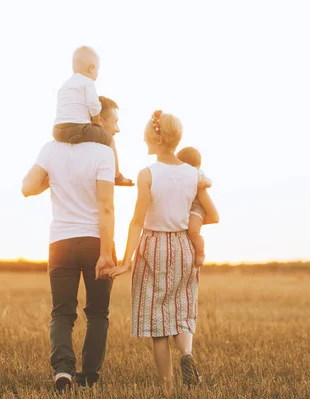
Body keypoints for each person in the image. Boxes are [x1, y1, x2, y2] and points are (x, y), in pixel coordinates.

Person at [109, 110, 219, 387]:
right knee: (180, 310)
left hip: (154, 245)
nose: (145, 141)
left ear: (156, 139)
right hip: (182, 246)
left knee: (158, 323)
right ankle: (187, 353)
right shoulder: (194, 174)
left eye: (147, 137)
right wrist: (191, 222)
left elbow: (137, 221)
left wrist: (126, 260)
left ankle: (167, 386)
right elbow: (214, 215)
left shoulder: (147, 174)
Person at [21, 97, 121, 392]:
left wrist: (54, 179)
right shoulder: (104, 153)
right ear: (96, 119)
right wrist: (106, 253)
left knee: (62, 312)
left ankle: (62, 370)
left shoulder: (50, 149)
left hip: (61, 242)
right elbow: (106, 208)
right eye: (114, 120)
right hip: (95, 241)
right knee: (97, 312)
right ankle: (88, 376)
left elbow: (27, 187)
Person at [52, 46, 133, 186]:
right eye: (98, 70)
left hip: (58, 131)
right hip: (78, 129)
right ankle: (117, 176)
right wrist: (96, 120)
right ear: (92, 68)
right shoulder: (87, 82)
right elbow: (93, 104)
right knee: (109, 138)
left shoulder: (64, 86)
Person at [177, 147, 211, 267]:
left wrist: (206, 182)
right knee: (188, 231)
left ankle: (200, 253)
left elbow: (209, 181)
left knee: (193, 232)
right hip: (188, 206)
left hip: (196, 208)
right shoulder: (183, 174)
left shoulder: (197, 173)